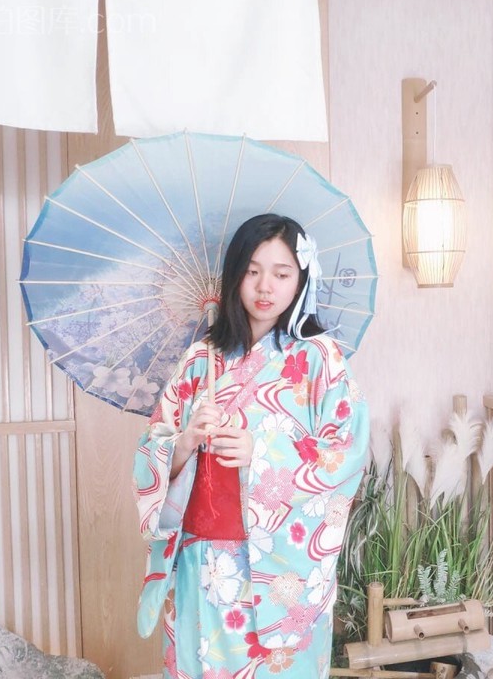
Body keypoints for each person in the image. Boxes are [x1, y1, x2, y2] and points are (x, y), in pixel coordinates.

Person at [133, 213, 370, 678]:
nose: (265, 287)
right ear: (234, 275)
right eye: (252, 271)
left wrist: (260, 454)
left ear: (301, 280)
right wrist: (184, 442)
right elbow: (152, 448)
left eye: (282, 274)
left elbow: (346, 453)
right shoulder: (200, 358)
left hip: (277, 566)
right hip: (201, 558)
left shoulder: (321, 359)